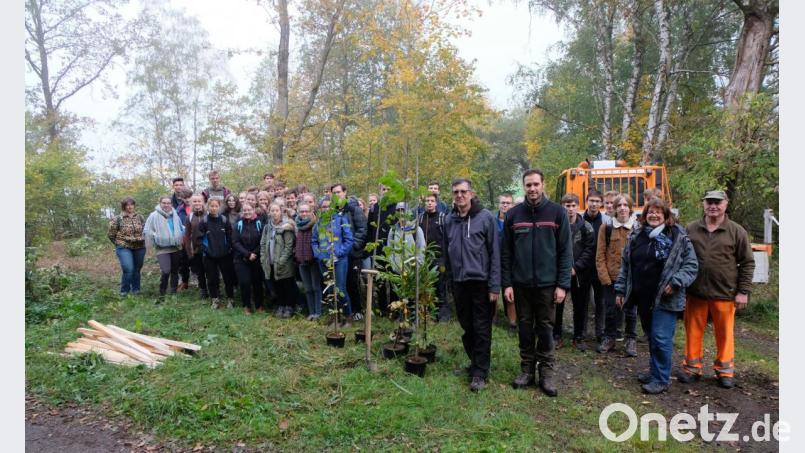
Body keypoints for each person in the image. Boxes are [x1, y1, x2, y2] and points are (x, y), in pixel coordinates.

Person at [614, 198, 698, 394]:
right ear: (645, 215)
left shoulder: (678, 237)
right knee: (652, 336)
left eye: (658, 212)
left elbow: (691, 265)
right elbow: (626, 265)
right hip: (643, 296)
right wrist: (620, 289)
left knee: (661, 338)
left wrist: (676, 282)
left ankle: (661, 379)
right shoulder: (637, 235)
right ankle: (654, 372)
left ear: (666, 216)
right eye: (650, 212)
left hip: (666, 297)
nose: (654, 215)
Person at [502, 169, 572, 397]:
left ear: (543, 185)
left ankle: (547, 373)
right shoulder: (513, 215)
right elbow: (506, 253)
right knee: (524, 327)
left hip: (547, 285)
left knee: (545, 328)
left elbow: (565, 251)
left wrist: (562, 285)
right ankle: (526, 370)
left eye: (535, 184)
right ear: (524, 187)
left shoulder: (557, 213)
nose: (532, 189)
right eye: (528, 185)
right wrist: (507, 284)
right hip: (521, 284)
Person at [677, 190, 755, 389]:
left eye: (717, 202)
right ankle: (691, 368)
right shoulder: (691, 228)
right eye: (709, 202)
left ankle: (725, 371)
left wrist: (743, 291)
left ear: (725, 204)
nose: (713, 206)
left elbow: (747, 263)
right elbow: (680, 257)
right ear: (703, 204)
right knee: (693, 332)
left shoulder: (736, 231)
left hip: (725, 293)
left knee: (725, 333)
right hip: (695, 292)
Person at [443, 178, 500, 392]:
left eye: (463, 191)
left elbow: (495, 252)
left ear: (471, 194)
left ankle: (480, 373)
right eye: (456, 192)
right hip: (459, 282)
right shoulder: (449, 220)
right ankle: (475, 362)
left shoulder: (485, 218)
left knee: (481, 327)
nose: (459, 195)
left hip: (481, 282)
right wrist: (449, 280)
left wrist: (494, 286)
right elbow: (447, 251)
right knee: (467, 326)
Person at [596, 194, 639, 356]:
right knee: (610, 310)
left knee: (631, 311)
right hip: (611, 278)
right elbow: (600, 255)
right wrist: (605, 278)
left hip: (631, 278)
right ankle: (610, 337)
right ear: (614, 209)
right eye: (619, 205)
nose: (622, 208)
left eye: (625, 205)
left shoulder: (637, 228)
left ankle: (630, 339)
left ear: (630, 208)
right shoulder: (606, 228)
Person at [555, 193, 595, 351]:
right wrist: (562, 268)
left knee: (580, 306)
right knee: (557, 304)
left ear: (578, 206)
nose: (570, 209)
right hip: (559, 272)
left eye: (573, 206)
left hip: (580, 274)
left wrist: (576, 267)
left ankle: (578, 337)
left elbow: (589, 250)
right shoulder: (556, 225)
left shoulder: (586, 227)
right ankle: (556, 336)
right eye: (567, 206)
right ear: (562, 206)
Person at [312, 196, 354, 328]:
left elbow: (349, 240)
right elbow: (314, 241)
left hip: (339, 260)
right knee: (329, 289)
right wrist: (319, 255)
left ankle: (348, 316)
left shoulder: (341, 220)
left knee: (340, 289)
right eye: (324, 207)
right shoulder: (319, 223)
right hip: (324, 261)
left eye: (329, 206)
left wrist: (338, 253)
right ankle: (334, 317)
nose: (326, 209)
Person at [331, 183, 368, 321]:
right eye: (334, 193)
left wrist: (352, 246)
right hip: (339, 253)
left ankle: (358, 310)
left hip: (353, 253)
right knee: (342, 283)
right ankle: (346, 311)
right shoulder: (332, 211)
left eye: (338, 192)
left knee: (353, 282)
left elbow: (362, 230)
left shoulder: (354, 209)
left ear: (345, 192)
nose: (336, 195)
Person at [143, 196, 185, 303]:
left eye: (168, 203)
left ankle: (173, 293)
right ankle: (162, 294)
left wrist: (183, 235)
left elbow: (181, 228)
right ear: (160, 203)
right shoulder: (154, 215)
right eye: (164, 203)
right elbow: (147, 230)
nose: (166, 205)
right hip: (162, 248)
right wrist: (156, 237)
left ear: (171, 204)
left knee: (175, 271)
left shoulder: (174, 214)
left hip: (175, 247)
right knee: (166, 271)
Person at [582, 189, 611, 343]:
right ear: (587, 201)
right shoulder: (580, 219)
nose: (594, 204)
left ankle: (601, 332)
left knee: (601, 301)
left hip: (600, 267)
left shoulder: (607, 221)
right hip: (583, 267)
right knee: (583, 300)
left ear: (601, 203)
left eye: (597, 201)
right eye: (591, 201)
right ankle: (582, 332)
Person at [261, 201, 298, 319]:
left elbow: (289, 246)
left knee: (287, 284)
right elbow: (263, 243)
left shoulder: (286, 227)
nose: (274, 213)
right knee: (277, 285)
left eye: (277, 210)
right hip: (271, 262)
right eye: (272, 210)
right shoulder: (267, 227)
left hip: (284, 263)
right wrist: (263, 258)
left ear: (280, 212)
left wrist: (281, 261)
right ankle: (281, 305)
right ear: (269, 212)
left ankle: (289, 306)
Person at [198, 198, 236, 308]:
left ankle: (230, 299)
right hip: (209, 256)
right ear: (208, 207)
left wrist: (228, 249)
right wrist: (207, 251)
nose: (214, 208)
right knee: (212, 279)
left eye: (216, 206)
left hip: (224, 255)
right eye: (211, 206)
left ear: (219, 207)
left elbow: (230, 236)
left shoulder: (224, 220)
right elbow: (199, 239)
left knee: (228, 278)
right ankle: (215, 299)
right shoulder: (204, 222)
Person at [418, 193, 448, 321]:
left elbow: (446, 238)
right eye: (427, 201)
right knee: (425, 285)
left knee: (440, 285)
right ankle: (428, 313)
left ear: (436, 203)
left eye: (432, 201)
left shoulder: (442, 217)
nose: (429, 203)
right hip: (423, 257)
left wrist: (445, 258)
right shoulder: (420, 218)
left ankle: (443, 314)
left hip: (439, 257)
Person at [107, 197, 146, 297]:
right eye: (127, 205)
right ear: (123, 206)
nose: (129, 207)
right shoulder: (118, 218)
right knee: (128, 269)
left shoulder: (140, 217)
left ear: (134, 205)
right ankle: (124, 291)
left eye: (131, 204)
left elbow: (145, 230)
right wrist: (118, 243)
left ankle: (136, 290)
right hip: (124, 247)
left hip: (139, 246)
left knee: (137, 269)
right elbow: (111, 234)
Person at [232, 203, 265, 313]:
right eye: (245, 210)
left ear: (254, 210)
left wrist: (254, 253)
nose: (247, 212)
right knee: (244, 282)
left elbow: (263, 241)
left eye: (249, 210)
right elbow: (235, 242)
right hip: (241, 259)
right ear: (242, 211)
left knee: (257, 282)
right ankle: (246, 305)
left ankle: (259, 305)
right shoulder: (238, 225)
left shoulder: (260, 223)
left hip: (256, 258)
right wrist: (247, 254)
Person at [295, 202, 323, 320]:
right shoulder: (297, 225)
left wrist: (316, 255)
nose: (304, 213)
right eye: (302, 211)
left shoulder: (316, 224)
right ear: (298, 213)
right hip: (301, 261)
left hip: (313, 260)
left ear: (311, 212)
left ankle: (318, 312)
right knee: (307, 288)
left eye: (306, 211)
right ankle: (311, 312)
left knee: (316, 287)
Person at [495, 192, 516, 334]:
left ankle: (512, 324)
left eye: (508, 203)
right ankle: (493, 319)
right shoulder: (492, 221)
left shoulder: (516, 221)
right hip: (495, 261)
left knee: (510, 293)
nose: (505, 205)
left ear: (512, 205)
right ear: (499, 204)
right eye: (503, 202)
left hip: (511, 262)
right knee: (493, 292)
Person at [183, 194, 209, 299]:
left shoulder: (208, 214)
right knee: (200, 271)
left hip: (209, 248)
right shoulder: (189, 217)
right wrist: (189, 251)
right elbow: (187, 236)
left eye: (199, 201)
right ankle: (203, 290)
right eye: (194, 201)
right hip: (196, 249)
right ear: (191, 203)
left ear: (203, 202)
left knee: (211, 270)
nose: (197, 203)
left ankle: (214, 290)